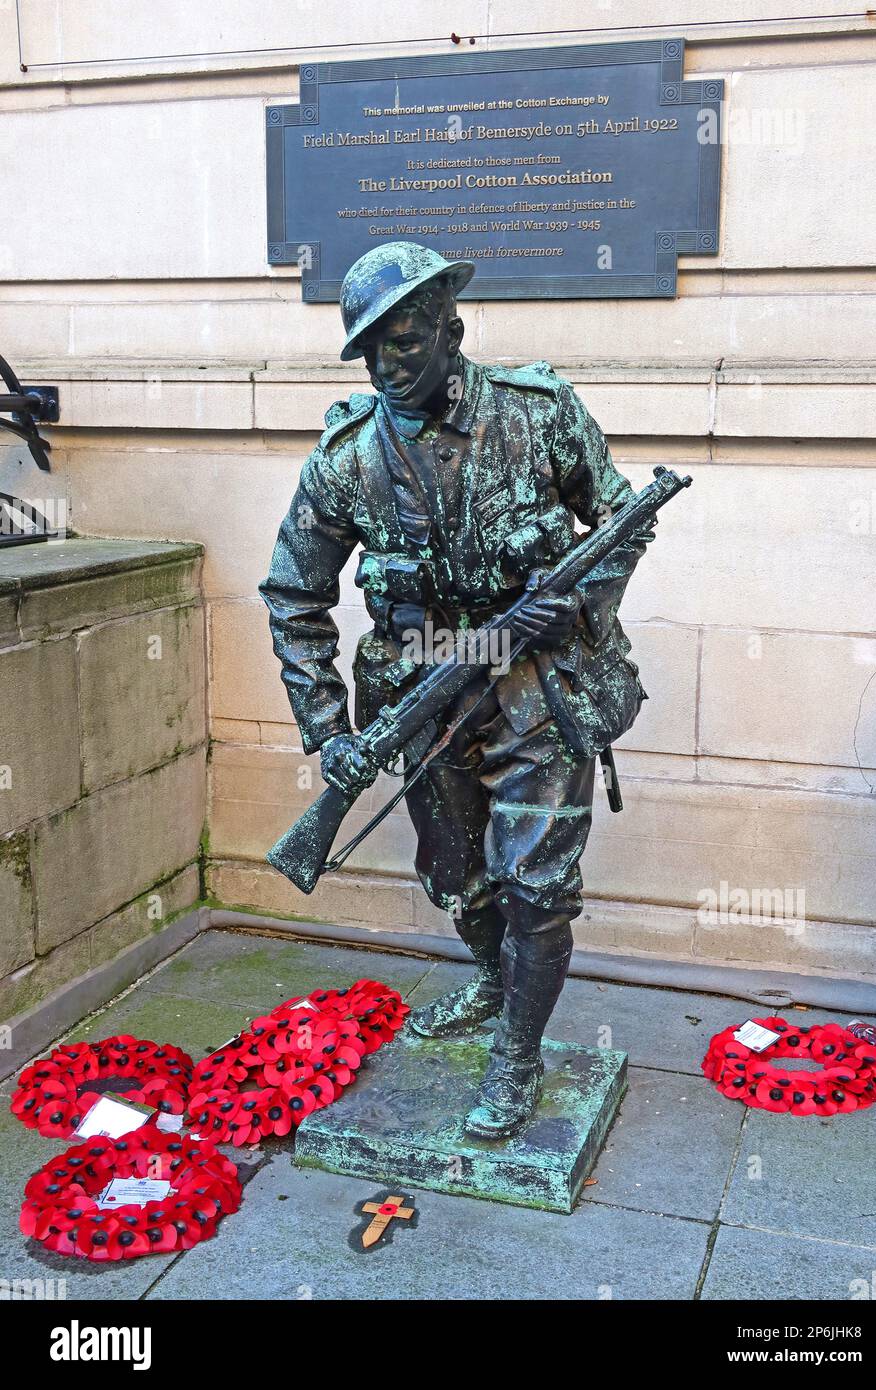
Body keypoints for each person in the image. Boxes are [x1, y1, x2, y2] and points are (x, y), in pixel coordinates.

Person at [260, 241, 653, 1137]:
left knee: (536, 886)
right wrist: (328, 731)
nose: (387, 366)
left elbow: (621, 522)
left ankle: (517, 1058)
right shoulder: (345, 457)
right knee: (455, 874)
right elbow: (294, 594)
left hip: (538, 695)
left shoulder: (540, 413)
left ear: (451, 330)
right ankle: (489, 979)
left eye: (404, 342)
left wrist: (579, 606)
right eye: (369, 350)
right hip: (421, 701)